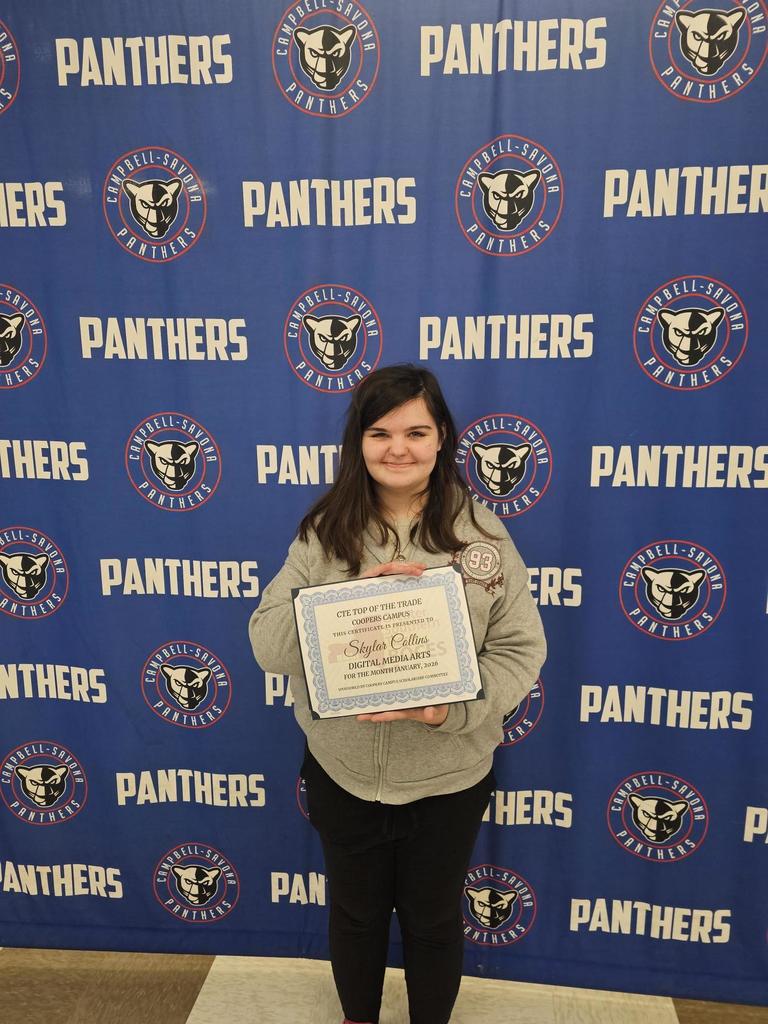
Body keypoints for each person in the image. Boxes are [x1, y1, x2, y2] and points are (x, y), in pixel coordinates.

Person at [249, 364, 546, 1024]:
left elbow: (520, 651)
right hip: (344, 772)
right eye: (380, 433)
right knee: (354, 916)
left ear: (442, 438)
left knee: (434, 920)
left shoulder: (483, 535)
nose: (398, 449)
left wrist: (452, 711)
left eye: (416, 432)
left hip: (449, 777)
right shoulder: (324, 531)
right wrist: (342, 603)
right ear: (358, 441)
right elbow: (267, 644)